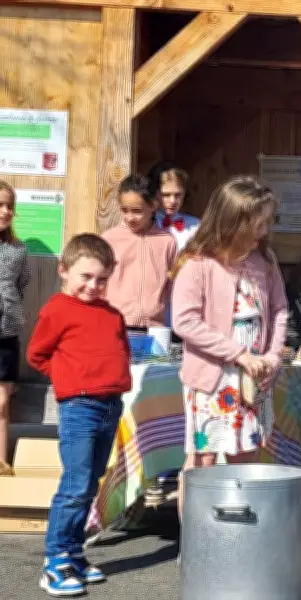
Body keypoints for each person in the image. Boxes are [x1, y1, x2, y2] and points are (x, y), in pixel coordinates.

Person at [171, 175, 287, 516]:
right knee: (203, 460)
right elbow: (185, 321)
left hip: (254, 378)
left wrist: (272, 357)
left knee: (247, 456)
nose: (263, 231)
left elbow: (280, 309)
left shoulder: (264, 261)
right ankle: (197, 540)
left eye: (267, 222)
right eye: (256, 223)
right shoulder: (197, 263)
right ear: (231, 222)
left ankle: (239, 544)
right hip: (212, 378)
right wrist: (239, 355)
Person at [27, 234, 132, 597]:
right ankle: (54, 561)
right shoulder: (56, 309)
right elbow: (38, 355)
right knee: (75, 485)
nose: (93, 285)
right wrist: (69, 378)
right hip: (78, 408)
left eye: (102, 279)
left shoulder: (112, 315)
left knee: (90, 483)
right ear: (63, 271)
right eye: (85, 276)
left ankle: (74, 552)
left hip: (110, 405)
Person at [102, 174, 177, 329]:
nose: (130, 217)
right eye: (124, 210)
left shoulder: (167, 241)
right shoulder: (109, 238)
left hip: (155, 327)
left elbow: (172, 285)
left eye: (137, 211)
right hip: (114, 323)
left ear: (153, 205)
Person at [0, 181, 30, 476]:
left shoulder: (18, 249)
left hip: (6, 332)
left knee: (2, 401)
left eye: (10, 206)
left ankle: (2, 461)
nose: (6, 211)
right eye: (0, 205)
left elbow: (22, 283)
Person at [148, 161, 200, 252]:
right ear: (154, 193)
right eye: (166, 195)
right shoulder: (146, 223)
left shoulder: (195, 226)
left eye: (178, 195)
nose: (173, 201)